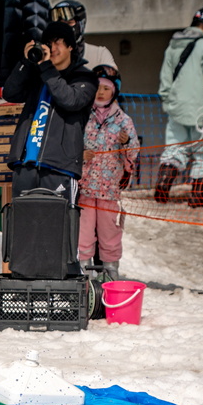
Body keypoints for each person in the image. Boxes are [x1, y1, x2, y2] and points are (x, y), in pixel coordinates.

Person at [3, 20, 96, 200]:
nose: (52, 48)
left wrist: (46, 67)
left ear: (70, 46)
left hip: (60, 167)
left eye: (58, 42)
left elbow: (70, 100)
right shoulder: (37, 75)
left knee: (57, 225)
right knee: (23, 225)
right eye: (48, 43)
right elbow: (10, 93)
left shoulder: (85, 77)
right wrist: (27, 61)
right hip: (25, 164)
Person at [155, 7, 203, 207]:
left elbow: (165, 83)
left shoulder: (172, 46)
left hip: (176, 110)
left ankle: (162, 183)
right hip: (201, 112)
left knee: (175, 149)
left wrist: (170, 105)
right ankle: (198, 196)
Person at [78, 65, 136, 281]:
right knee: (83, 233)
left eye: (106, 88)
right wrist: (80, 154)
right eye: (97, 88)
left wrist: (126, 143)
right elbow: (71, 144)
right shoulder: (83, 116)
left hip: (109, 191)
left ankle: (111, 273)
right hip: (85, 188)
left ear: (115, 91)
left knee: (109, 234)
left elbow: (134, 153)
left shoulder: (123, 120)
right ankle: (84, 273)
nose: (100, 93)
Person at [50, 0, 116, 70]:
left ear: (81, 24)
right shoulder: (50, 55)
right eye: (60, 24)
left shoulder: (99, 54)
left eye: (69, 23)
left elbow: (111, 79)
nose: (63, 29)